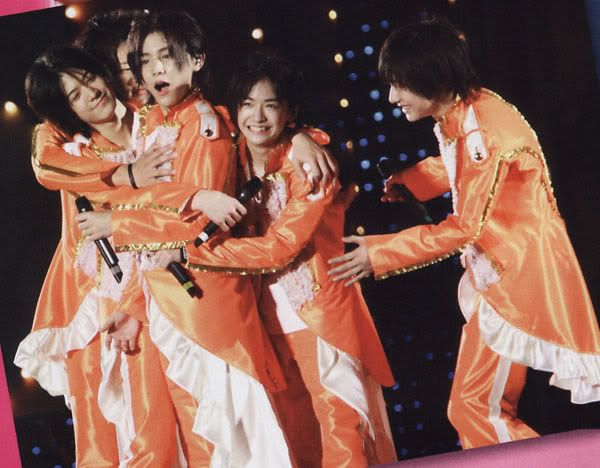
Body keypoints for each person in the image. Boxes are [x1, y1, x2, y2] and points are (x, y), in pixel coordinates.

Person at [328, 18, 600, 449]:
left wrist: (379, 253)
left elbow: (465, 226)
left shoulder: (481, 128)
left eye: (399, 84)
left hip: (515, 279)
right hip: (501, 273)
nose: (392, 97)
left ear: (430, 75)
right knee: (472, 405)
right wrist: (413, 181)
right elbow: (462, 168)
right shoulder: (466, 112)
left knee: (475, 407)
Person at [79, 11, 336, 467]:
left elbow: (195, 227)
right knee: (201, 439)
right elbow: (160, 232)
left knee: (231, 439)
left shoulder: (205, 126)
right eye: (145, 61)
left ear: (196, 60)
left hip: (207, 302)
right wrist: (135, 306)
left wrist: (117, 224)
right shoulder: (156, 122)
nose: (154, 70)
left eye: (166, 57)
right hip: (169, 300)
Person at [175, 51, 397, 467]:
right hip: (261, 324)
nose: (257, 117)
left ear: (290, 111)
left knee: (342, 432)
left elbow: (281, 247)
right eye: (247, 104)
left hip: (320, 315)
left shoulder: (312, 165)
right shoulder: (230, 156)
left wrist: (201, 253)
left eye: (270, 105)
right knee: (293, 440)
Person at [15, 45, 180, 467]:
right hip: (103, 297)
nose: (90, 93)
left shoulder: (153, 121)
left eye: (89, 79)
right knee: (120, 425)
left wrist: (303, 136)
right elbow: (43, 164)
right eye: (74, 94)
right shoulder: (72, 148)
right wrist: (126, 175)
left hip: (172, 282)